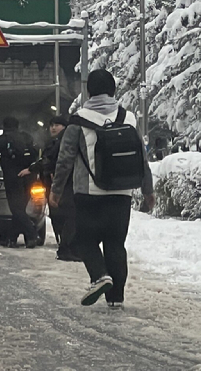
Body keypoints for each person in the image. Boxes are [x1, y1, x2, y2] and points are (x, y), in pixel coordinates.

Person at [49, 69, 155, 309]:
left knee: (83, 241)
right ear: (113, 90)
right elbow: (142, 158)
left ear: (89, 91)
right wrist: (148, 190)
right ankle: (116, 299)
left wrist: (55, 190)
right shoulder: (127, 118)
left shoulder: (77, 120)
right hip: (121, 193)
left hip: (89, 194)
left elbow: (65, 159)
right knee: (116, 245)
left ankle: (99, 276)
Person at [19, 115, 80, 261]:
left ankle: (66, 246)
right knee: (61, 215)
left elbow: (53, 161)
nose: (53, 128)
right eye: (52, 125)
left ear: (65, 127)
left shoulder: (63, 142)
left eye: (57, 125)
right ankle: (65, 246)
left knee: (63, 214)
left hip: (61, 184)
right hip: (58, 183)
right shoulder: (56, 142)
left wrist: (35, 169)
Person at [0, 116, 39, 248]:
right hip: (29, 176)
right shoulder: (27, 137)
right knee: (20, 208)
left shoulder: (1, 140)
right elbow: (36, 155)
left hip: (13, 178)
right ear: (18, 125)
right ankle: (11, 237)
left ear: (4, 126)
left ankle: (32, 234)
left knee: (16, 209)